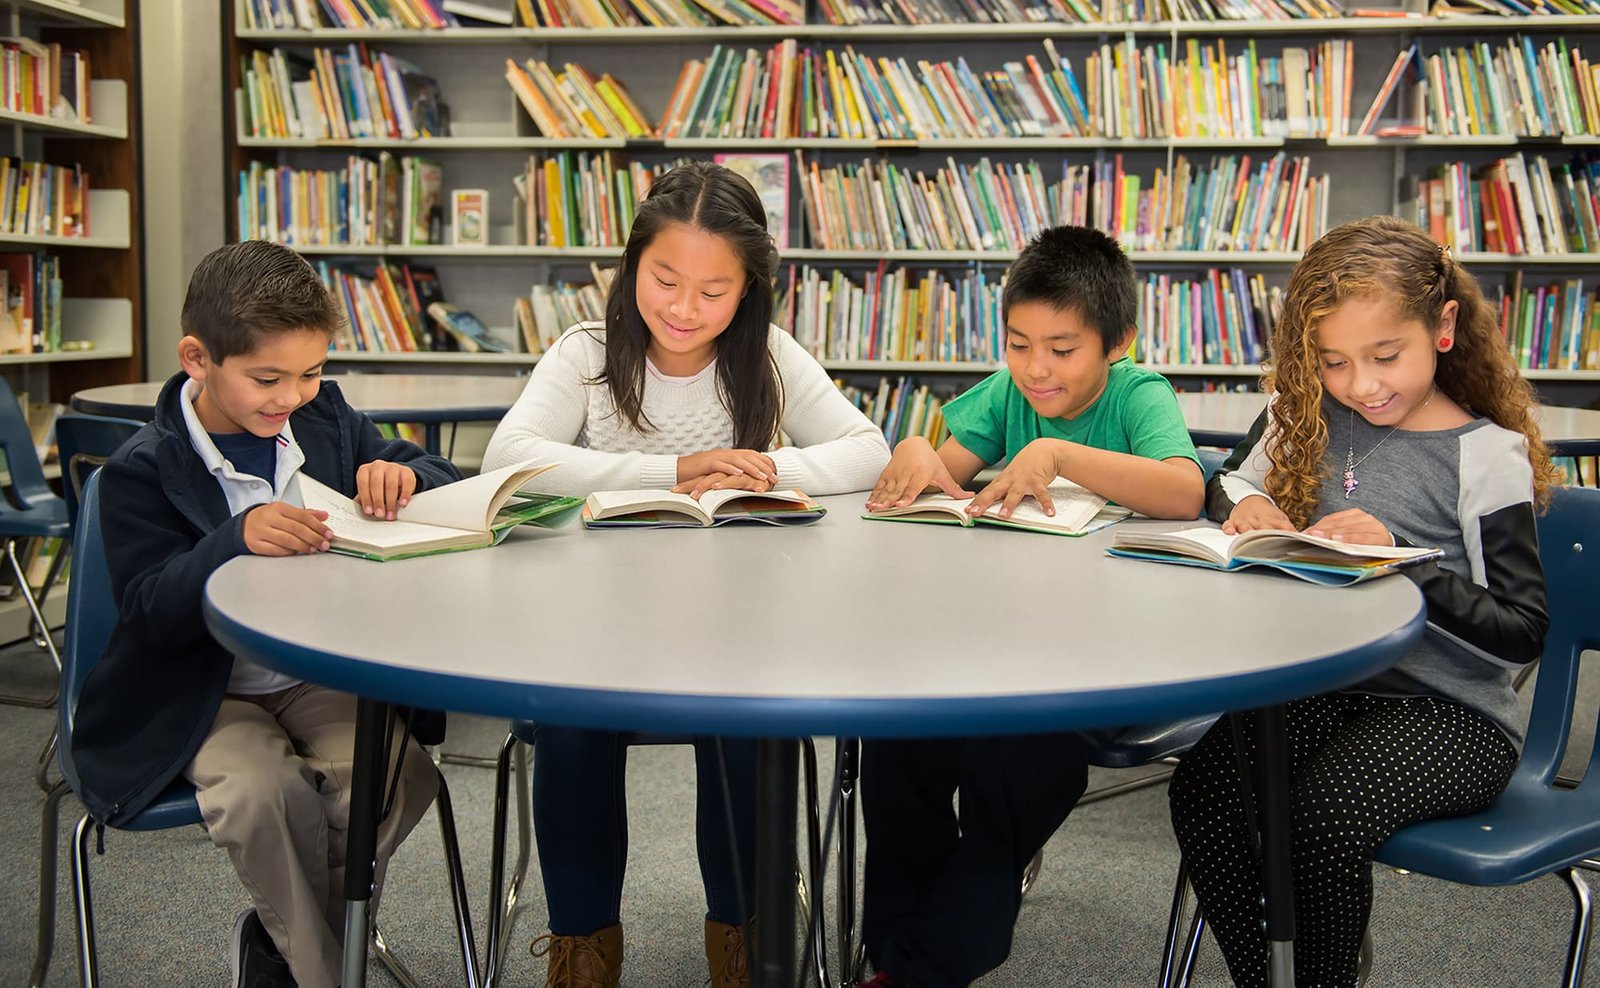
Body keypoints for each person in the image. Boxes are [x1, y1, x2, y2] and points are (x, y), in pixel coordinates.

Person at [481, 160, 890, 988]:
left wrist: (761, 470)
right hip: (600, 628)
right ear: (632, 264)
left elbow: (869, 451)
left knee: (744, 725)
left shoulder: (766, 355)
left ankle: (744, 946)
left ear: (749, 290)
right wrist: (674, 471)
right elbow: (508, 458)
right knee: (571, 724)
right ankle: (582, 951)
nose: (682, 308)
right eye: (664, 280)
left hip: (733, 625)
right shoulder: (586, 353)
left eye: (713, 291)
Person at [1168, 215, 1556, 987]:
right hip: (1324, 686)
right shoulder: (1304, 414)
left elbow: (1521, 632)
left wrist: (1401, 561)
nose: (1362, 385)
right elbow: (1226, 481)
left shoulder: (1486, 456)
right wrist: (1246, 504)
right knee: (1205, 796)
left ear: (1443, 326)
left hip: (1453, 715)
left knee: (1322, 817)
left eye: (1385, 356)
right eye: (1333, 361)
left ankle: (1322, 977)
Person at [73, 240, 461, 988]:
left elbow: (438, 472)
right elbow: (149, 612)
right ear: (198, 358)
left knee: (395, 775)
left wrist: (403, 474)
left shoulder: (324, 419)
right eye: (267, 379)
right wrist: (232, 540)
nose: (291, 396)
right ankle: (319, 971)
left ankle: (280, 944)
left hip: (312, 673)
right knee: (262, 793)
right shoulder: (141, 471)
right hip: (201, 690)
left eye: (311, 372)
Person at [857, 224, 1205, 988]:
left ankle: (921, 968)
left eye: (1062, 348)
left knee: (1011, 766)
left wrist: (1058, 453)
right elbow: (943, 478)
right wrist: (915, 454)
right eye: (1019, 345)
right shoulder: (1007, 391)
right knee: (896, 740)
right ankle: (894, 952)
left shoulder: (1138, 393)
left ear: (1117, 343)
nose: (1036, 368)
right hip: (993, 649)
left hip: (1101, 666)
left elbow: (1185, 490)